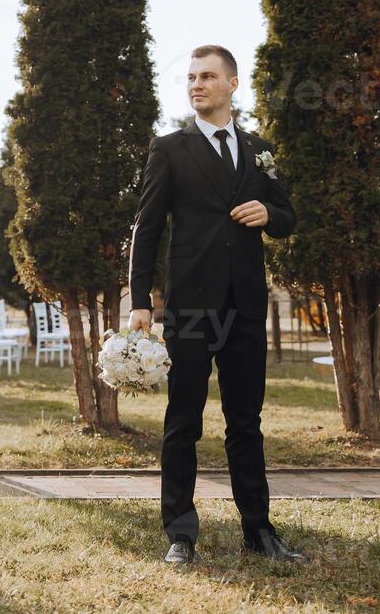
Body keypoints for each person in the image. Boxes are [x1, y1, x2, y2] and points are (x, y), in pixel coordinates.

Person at [126, 44, 307, 565]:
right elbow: (148, 227)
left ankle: (259, 531)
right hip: (190, 308)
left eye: (207, 77)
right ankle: (180, 534)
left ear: (233, 84)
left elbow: (290, 217)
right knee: (183, 420)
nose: (196, 85)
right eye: (190, 77)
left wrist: (267, 212)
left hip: (245, 306)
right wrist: (141, 300)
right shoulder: (170, 149)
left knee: (246, 421)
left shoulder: (258, 149)